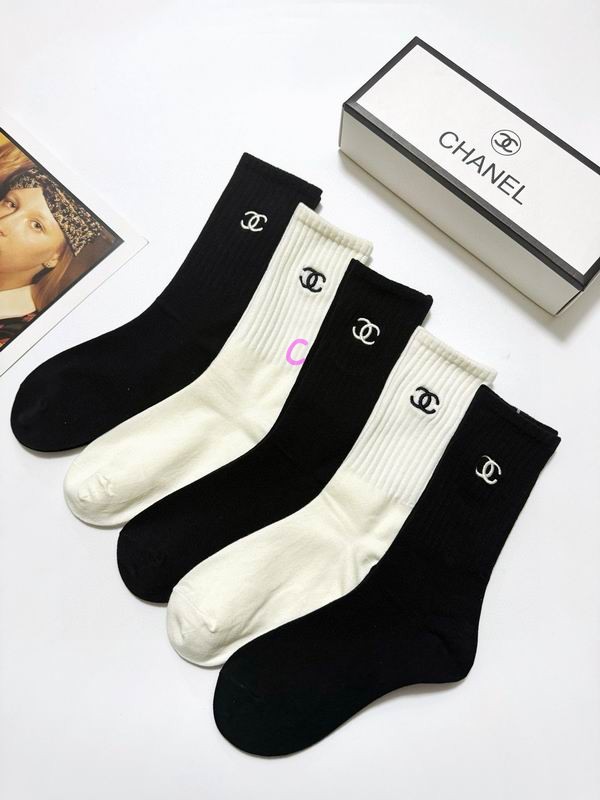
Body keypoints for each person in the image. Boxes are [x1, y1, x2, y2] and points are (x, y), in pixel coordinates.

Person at [0, 166, 101, 349]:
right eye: (11, 204)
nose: (4, 222)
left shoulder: (20, 337)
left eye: (36, 225)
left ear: (55, 257)